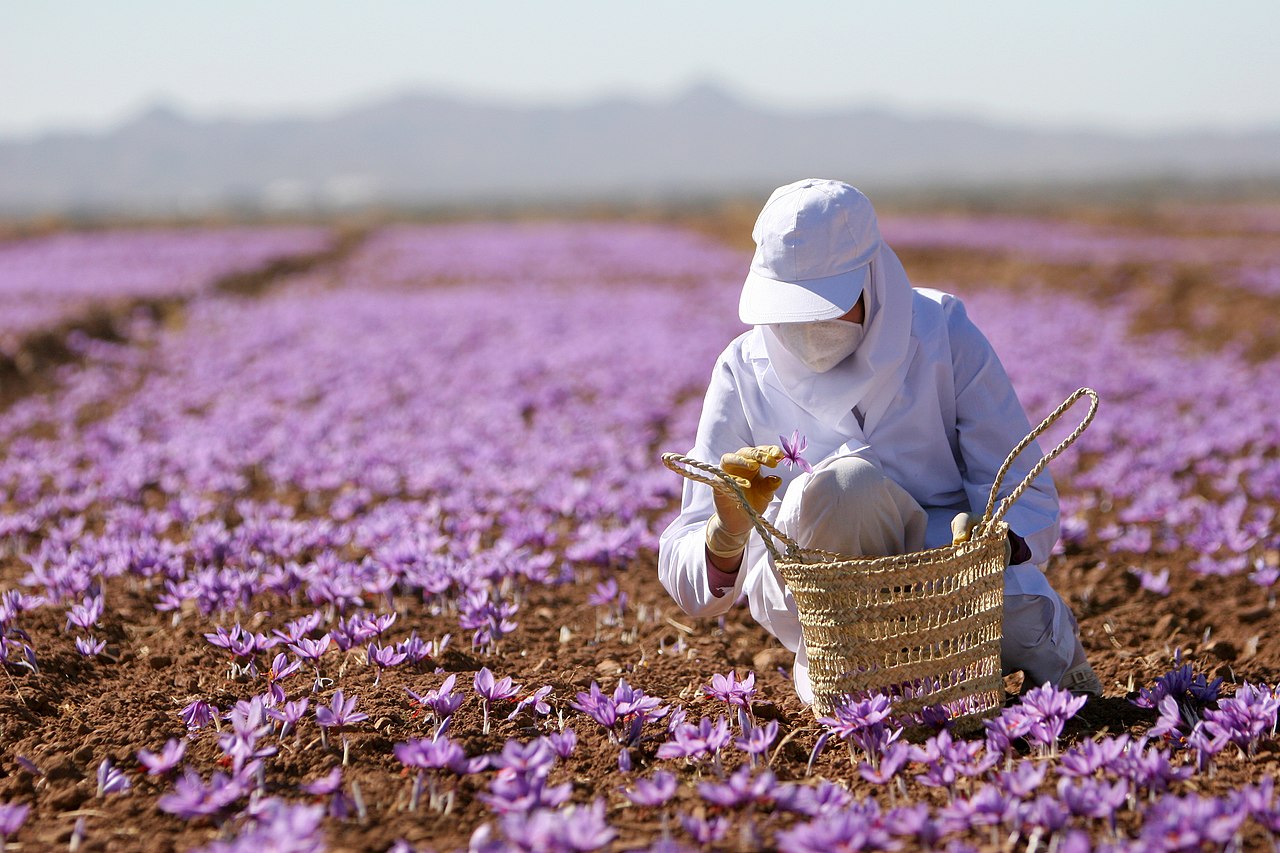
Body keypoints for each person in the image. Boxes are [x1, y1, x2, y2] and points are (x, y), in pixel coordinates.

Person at [657, 178, 1102, 705]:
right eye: (788, 312)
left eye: (826, 307)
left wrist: (995, 541)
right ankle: (865, 668)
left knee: (1024, 621)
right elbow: (686, 563)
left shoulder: (942, 333)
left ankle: (1050, 656)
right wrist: (724, 536)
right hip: (826, 599)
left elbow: (1023, 489)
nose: (805, 329)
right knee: (844, 489)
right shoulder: (741, 370)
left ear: (873, 278)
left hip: (949, 572)